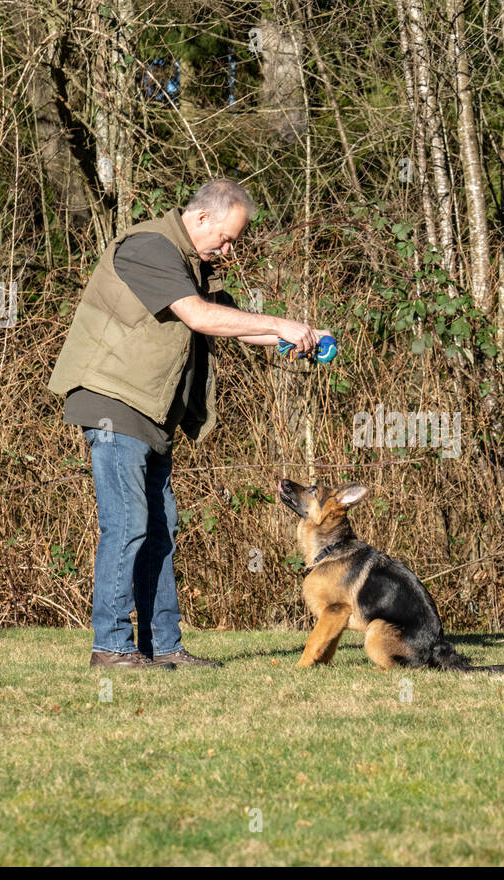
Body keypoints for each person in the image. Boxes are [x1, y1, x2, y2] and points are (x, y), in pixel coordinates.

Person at [47, 178, 328, 670]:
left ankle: (164, 647)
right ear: (200, 219)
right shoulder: (149, 247)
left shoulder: (194, 266)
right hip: (115, 403)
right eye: (226, 238)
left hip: (153, 412)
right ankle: (110, 648)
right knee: (128, 522)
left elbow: (233, 321)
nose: (229, 249)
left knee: (161, 529)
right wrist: (279, 325)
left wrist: (299, 333)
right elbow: (199, 318)